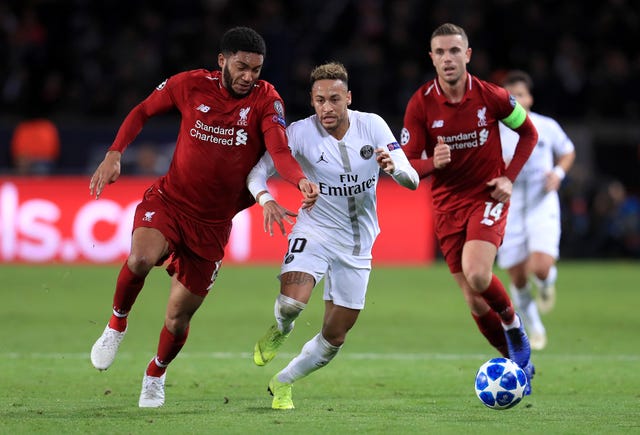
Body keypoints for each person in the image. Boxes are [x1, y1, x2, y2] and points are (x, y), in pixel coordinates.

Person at [88, 26, 318, 408]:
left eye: (256, 70)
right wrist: (115, 152)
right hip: (171, 201)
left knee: (177, 318)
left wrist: (299, 180)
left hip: (212, 226)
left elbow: (279, 150)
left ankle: (155, 374)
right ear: (222, 60)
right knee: (140, 258)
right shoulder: (190, 85)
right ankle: (116, 324)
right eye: (242, 67)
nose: (249, 77)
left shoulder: (266, 100)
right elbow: (144, 109)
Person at [246, 62, 419, 410]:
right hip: (315, 230)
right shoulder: (297, 133)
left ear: (348, 98)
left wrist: (394, 168)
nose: (327, 107)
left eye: (335, 99)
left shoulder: (372, 126)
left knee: (334, 337)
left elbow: (412, 179)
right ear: (312, 100)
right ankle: (282, 327)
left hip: (358, 245)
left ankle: (283, 382)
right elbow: (256, 174)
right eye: (320, 99)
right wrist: (266, 200)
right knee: (292, 302)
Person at [400, 23, 538, 394]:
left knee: (478, 275)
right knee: (475, 302)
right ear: (431, 58)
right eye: (441, 52)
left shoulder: (491, 96)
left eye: (454, 51)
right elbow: (406, 164)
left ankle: (514, 326)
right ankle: (517, 368)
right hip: (447, 209)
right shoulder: (421, 104)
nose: (448, 59)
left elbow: (529, 133)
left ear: (468, 55)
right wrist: (433, 164)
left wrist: (508, 177)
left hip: (486, 197)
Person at [496, 70, 576, 350]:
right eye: (510, 96)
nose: (515, 100)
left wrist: (558, 173)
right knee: (517, 276)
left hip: (543, 205)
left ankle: (546, 282)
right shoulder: (496, 132)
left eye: (519, 94)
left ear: (529, 97)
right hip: (510, 208)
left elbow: (568, 151)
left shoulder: (546, 126)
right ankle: (535, 326)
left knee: (540, 267)